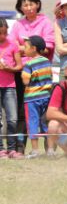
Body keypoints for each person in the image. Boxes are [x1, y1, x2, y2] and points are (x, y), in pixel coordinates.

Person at [10, 0, 55, 154]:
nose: (28, 7)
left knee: (45, 113)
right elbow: (11, 47)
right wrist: (23, 50)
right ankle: (20, 148)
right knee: (23, 111)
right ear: (20, 7)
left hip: (41, 71)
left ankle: (49, 148)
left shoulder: (45, 22)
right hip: (22, 72)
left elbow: (48, 45)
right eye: (25, 5)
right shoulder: (17, 24)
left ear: (37, 4)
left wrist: (22, 49)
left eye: (31, 4)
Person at [21, 36, 53, 159]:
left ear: (34, 49)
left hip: (31, 99)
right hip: (46, 96)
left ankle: (35, 151)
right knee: (46, 123)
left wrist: (24, 74)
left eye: (26, 47)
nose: (24, 49)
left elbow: (25, 81)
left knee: (32, 123)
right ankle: (50, 150)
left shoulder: (28, 64)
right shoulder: (47, 62)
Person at [0, 18, 22, 159]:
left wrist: (9, 68)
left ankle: (12, 149)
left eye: (4, 32)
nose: (2, 36)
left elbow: (19, 66)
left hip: (9, 87)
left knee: (12, 119)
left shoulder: (13, 44)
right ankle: (1, 149)